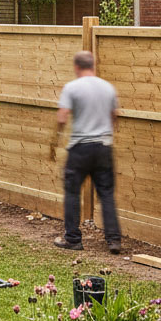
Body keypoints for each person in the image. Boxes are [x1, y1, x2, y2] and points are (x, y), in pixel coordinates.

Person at [52, 50, 122, 253]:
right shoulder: (108, 87)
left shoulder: (72, 88)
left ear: (76, 67)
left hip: (80, 148)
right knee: (106, 194)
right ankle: (114, 240)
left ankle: (73, 239)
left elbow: (62, 117)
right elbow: (114, 115)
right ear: (93, 65)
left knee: (72, 192)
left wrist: (56, 137)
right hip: (104, 147)